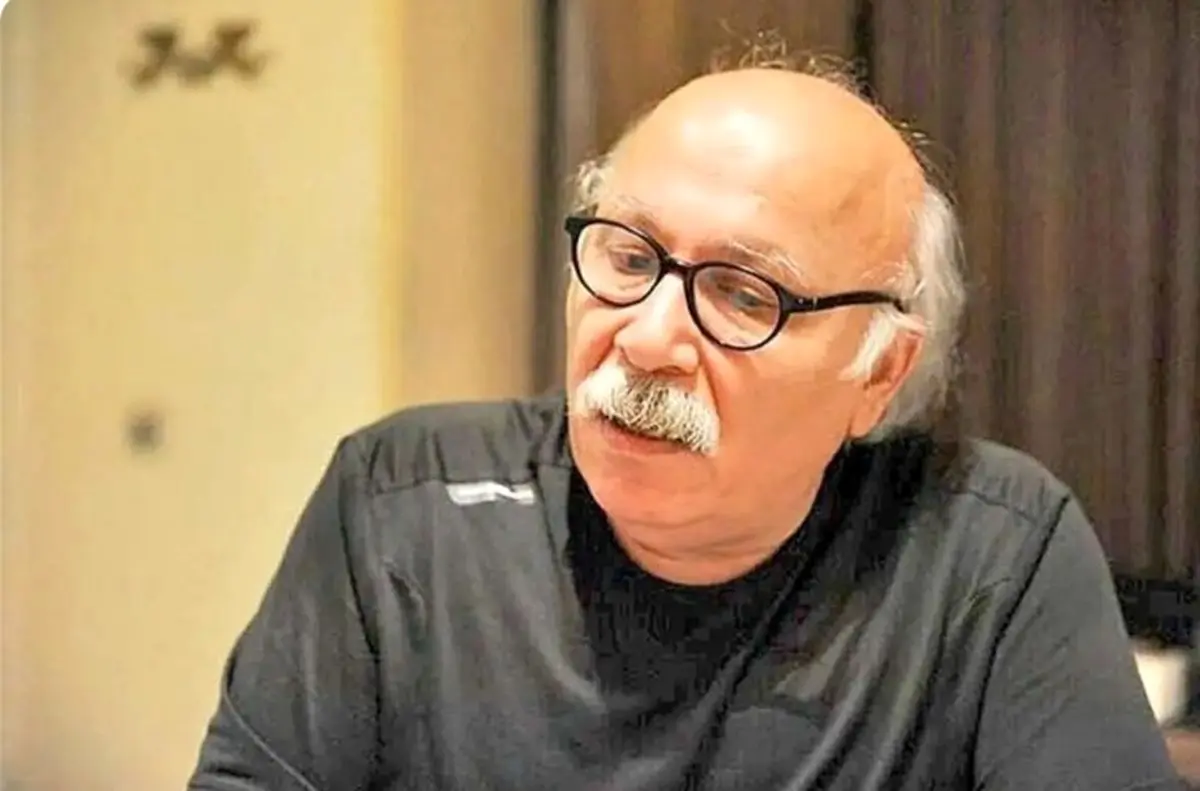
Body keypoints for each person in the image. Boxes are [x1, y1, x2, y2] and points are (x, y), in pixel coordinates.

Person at [187, 57, 1181, 791]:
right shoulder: (404, 505)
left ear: (878, 372)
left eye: (745, 294)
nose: (649, 336)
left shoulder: (989, 551)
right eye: (628, 257)